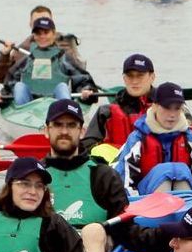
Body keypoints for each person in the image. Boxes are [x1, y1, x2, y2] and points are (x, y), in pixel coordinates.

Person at [41, 98, 131, 230]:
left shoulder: (103, 175)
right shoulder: (35, 176)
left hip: (93, 247)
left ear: (82, 132)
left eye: (71, 125)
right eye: (58, 125)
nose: (64, 132)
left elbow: (126, 230)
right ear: (46, 131)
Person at [114, 82, 192, 195]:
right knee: (166, 171)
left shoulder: (190, 138)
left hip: (186, 199)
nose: (172, 114)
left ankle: (185, 210)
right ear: (154, 106)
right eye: (167, 108)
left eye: (177, 108)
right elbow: (124, 182)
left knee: (180, 171)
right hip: (145, 202)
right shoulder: (138, 139)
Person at [0, 15, 95, 106]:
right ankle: (21, 112)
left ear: (53, 34)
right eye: (38, 33)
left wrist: (86, 90)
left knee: (62, 87)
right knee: (19, 86)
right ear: (34, 36)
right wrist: (1, 97)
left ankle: (65, 113)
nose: (42, 36)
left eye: (46, 33)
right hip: (28, 108)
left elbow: (83, 79)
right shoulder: (26, 60)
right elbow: (9, 85)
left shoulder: (64, 58)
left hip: (58, 107)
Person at [0, 5, 88, 85]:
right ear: (31, 25)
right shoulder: (22, 49)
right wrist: (4, 55)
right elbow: (2, 78)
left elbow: (80, 71)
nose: (41, 26)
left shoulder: (66, 43)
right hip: (31, 96)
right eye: (37, 22)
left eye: (45, 21)